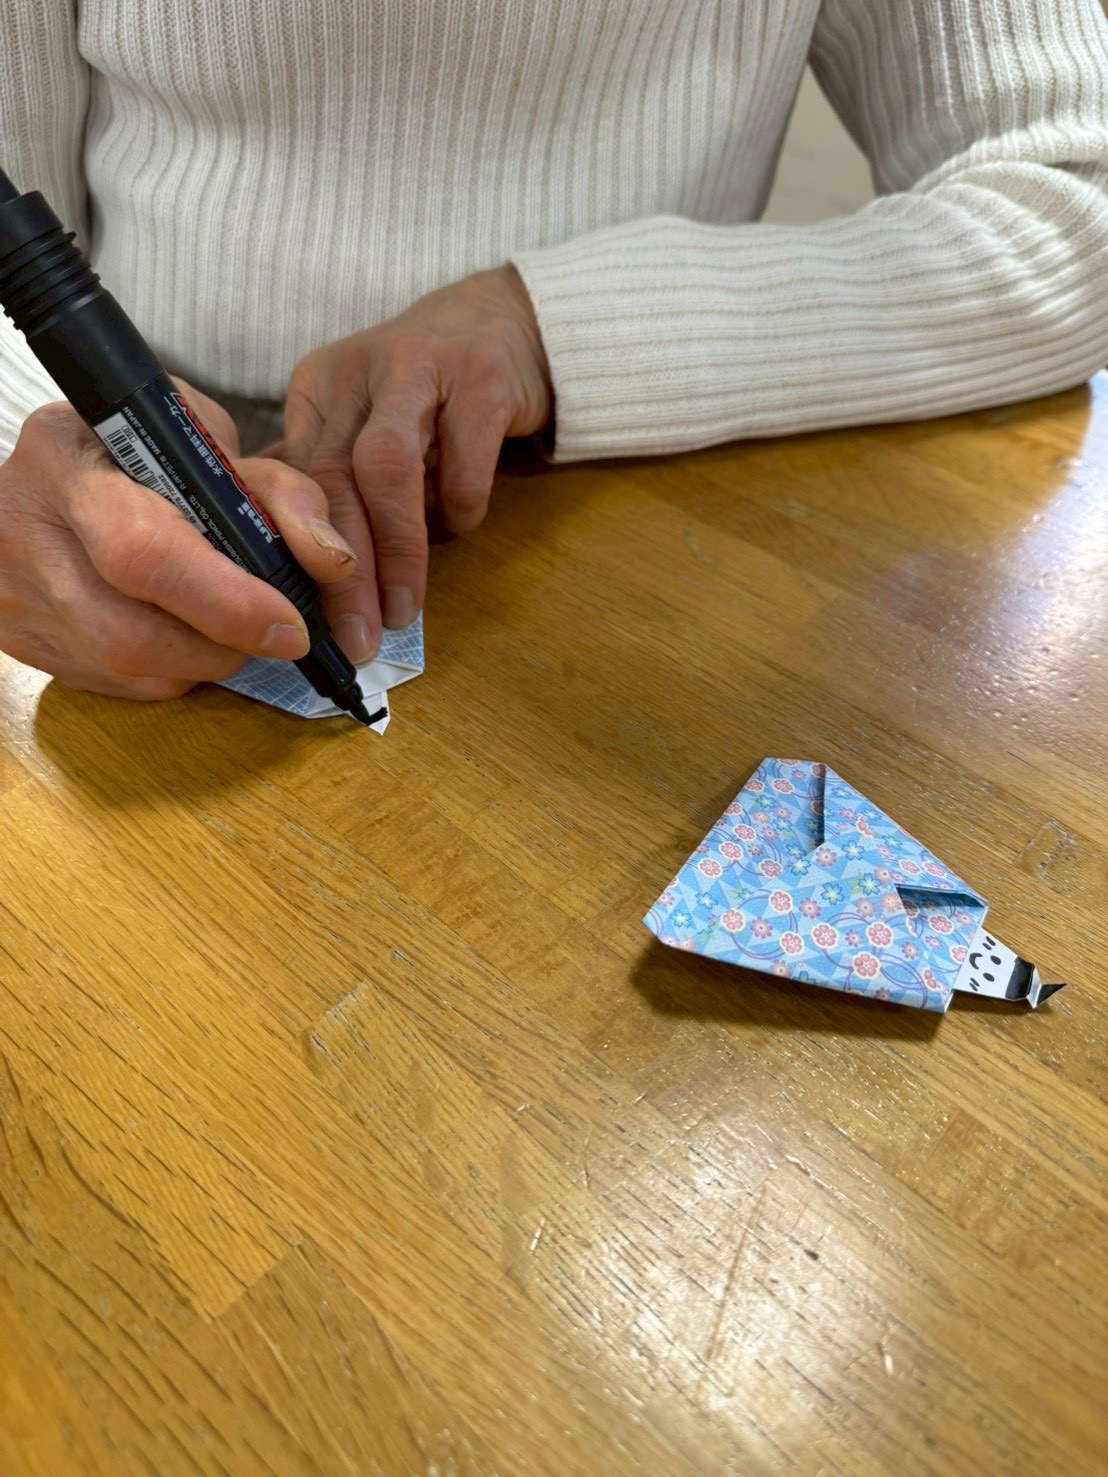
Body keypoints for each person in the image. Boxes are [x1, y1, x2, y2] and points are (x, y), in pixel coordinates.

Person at [1, 0, 1106, 702]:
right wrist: (23, 458)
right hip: (147, 500)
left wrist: (556, 327)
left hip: (641, 510)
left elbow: (1073, 199)